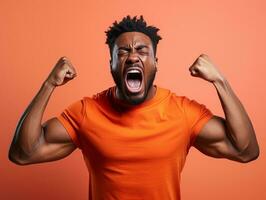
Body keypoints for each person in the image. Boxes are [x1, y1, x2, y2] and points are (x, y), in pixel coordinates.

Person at [9, 15, 259, 200]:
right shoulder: (87, 112)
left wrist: (220, 81)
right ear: (112, 65)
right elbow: (24, 153)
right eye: (123, 52)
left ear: (155, 63)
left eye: (142, 50)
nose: (132, 56)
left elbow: (245, 150)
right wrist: (48, 84)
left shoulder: (182, 112)